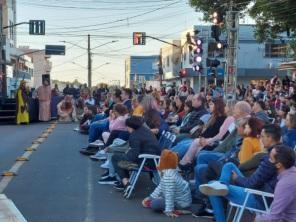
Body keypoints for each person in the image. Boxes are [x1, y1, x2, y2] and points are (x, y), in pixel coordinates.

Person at [198, 124, 282, 222]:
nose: (260, 138)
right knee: (229, 165)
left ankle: (220, 219)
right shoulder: (280, 153)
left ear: (270, 138)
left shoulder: (270, 158)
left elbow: (252, 183)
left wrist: (237, 178)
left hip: (259, 198)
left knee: (211, 186)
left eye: (262, 136)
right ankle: (222, 185)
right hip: (261, 192)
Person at [111, 116, 160, 190]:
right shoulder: (146, 130)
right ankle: (125, 182)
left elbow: (133, 156)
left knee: (115, 158)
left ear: (130, 127)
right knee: (120, 158)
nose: (126, 129)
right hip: (154, 160)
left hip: (146, 162)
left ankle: (126, 183)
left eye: (127, 126)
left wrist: (126, 153)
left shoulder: (134, 136)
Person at [142, 149, 192, 218]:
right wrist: (150, 197)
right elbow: (161, 186)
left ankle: (177, 210)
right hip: (183, 201)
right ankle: (177, 208)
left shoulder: (168, 176)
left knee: (154, 204)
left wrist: (169, 211)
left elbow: (169, 194)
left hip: (181, 204)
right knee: (156, 199)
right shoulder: (172, 170)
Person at [255, 145, 296, 221]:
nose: (267, 160)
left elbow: (273, 218)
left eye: (270, 159)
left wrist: (257, 219)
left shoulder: (284, 184)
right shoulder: (292, 173)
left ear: (279, 165)